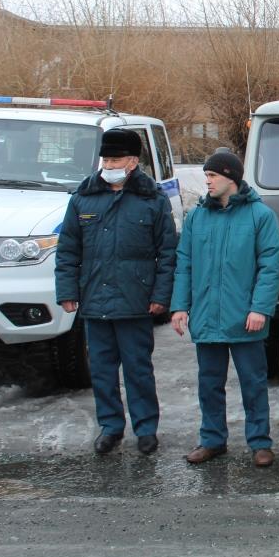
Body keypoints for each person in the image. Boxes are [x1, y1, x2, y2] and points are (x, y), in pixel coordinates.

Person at [55, 128, 176, 455]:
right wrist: (67, 291)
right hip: (95, 301)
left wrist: (161, 297)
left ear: (133, 162)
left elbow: (167, 253)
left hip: (136, 302)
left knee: (138, 370)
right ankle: (110, 427)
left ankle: (146, 429)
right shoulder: (83, 198)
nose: (108, 164)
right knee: (103, 371)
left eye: (115, 159)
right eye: (105, 159)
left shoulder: (152, 200)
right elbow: (68, 250)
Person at [170, 151, 279, 467]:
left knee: (253, 384)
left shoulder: (260, 216)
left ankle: (260, 443)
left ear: (231, 178)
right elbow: (185, 264)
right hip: (207, 317)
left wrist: (260, 308)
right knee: (209, 384)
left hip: (246, 317)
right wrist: (180, 306)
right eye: (206, 176)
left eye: (212, 176)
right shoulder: (196, 217)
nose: (207, 181)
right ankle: (212, 440)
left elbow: (270, 266)